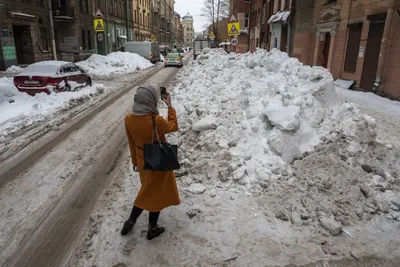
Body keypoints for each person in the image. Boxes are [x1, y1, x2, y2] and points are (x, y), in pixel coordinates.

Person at [122, 85, 180, 240]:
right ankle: (152, 228)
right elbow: (173, 127)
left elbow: (131, 143)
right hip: (158, 160)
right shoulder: (156, 120)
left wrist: (135, 161)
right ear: (151, 101)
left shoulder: (129, 119)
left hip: (142, 161)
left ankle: (131, 221)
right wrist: (170, 106)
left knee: (146, 190)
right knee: (155, 194)